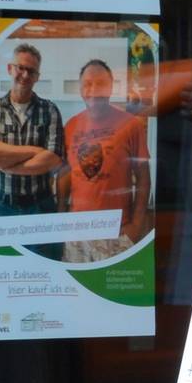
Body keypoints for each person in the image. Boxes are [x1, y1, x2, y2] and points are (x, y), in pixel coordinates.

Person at [0, 42, 65, 259]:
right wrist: (34, 150)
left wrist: (6, 163)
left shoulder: (49, 110)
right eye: (20, 68)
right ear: (10, 69)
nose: (24, 74)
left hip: (39, 207)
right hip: (0, 207)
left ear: (37, 76)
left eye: (31, 71)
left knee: (43, 269)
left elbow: (52, 159)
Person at [56, 60, 149, 264]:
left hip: (117, 232)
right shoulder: (71, 126)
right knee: (77, 292)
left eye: (100, 83)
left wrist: (136, 226)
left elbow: (143, 178)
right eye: (88, 84)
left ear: (111, 87)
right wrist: (61, 222)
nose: (94, 90)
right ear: (80, 89)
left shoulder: (131, 125)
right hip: (76, 234)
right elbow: (64, 175)